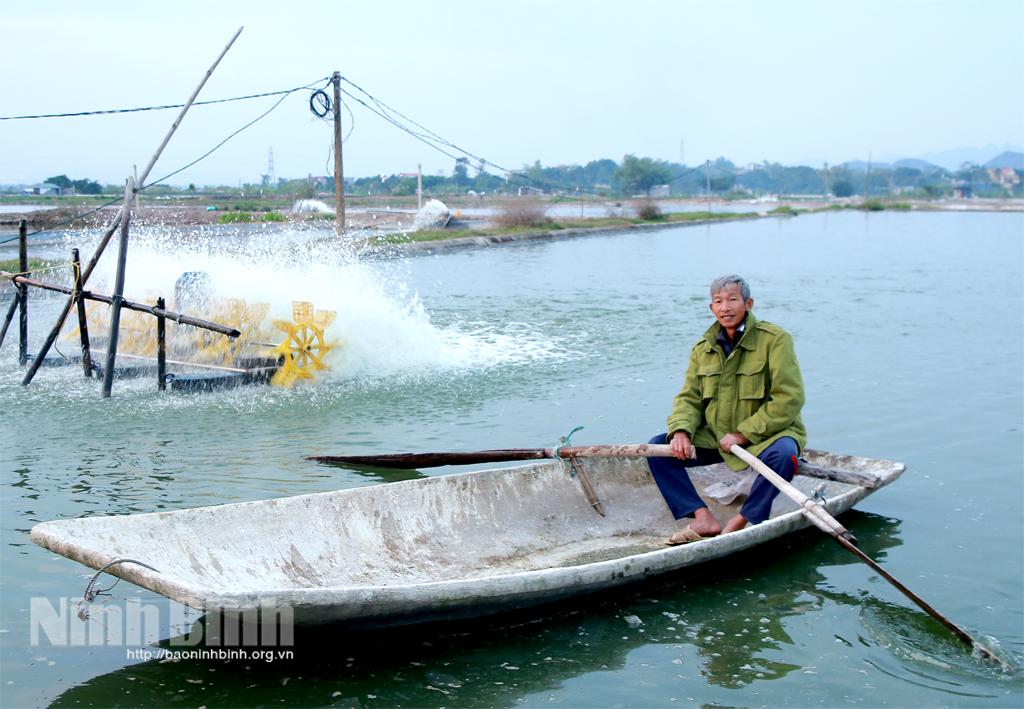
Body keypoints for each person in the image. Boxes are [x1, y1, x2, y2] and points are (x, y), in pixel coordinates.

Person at [647, 275, 807, 544]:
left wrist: (744, 434)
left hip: (766, 435)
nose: (725, 307)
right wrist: (682, 431)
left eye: (733, 299)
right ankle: (702, 518)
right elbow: (689, 397)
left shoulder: (775, 339)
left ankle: (742, 518)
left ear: (749, 303)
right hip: (718, 437)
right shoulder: (703, 349)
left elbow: (789, 398)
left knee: (785, 455)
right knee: (658, 448)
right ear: (711, 308)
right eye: (718, 301)